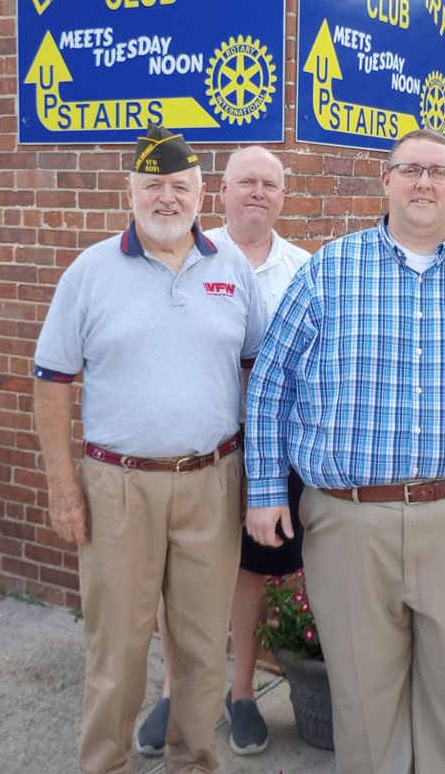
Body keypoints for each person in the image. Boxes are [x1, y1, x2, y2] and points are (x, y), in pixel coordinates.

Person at [245, 128, 445, 774]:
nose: (424, 182)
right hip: (348, 521)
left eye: (439, 171)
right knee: (364, 700)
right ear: (386, 182)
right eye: (410, 169)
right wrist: (262, 490)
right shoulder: (327, 273)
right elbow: (269, 387)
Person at [33, 124, 268, 774]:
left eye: (181, 186)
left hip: (212, 481)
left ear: (202, 194)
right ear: (130, 190)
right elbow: (51, 382)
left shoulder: (233, 273)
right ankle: (104, 764)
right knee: (117, 652)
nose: (167, 198)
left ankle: (193, 761)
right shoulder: (90, 272)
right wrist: (62, 485)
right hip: (117, 487)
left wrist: (262, 479)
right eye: (153, 184)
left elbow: (258, 377)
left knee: (200, 649)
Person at [136, 145, 311, 757]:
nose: (257, 192)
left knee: (251, 573)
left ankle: (239, 694)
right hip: (198, 449)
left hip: (270, 452)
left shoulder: (306, 269)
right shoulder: (187, 255)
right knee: (174, 571)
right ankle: (173, 690)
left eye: (270, 183)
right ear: (222, 192)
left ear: (283, 196)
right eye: (246, 182)